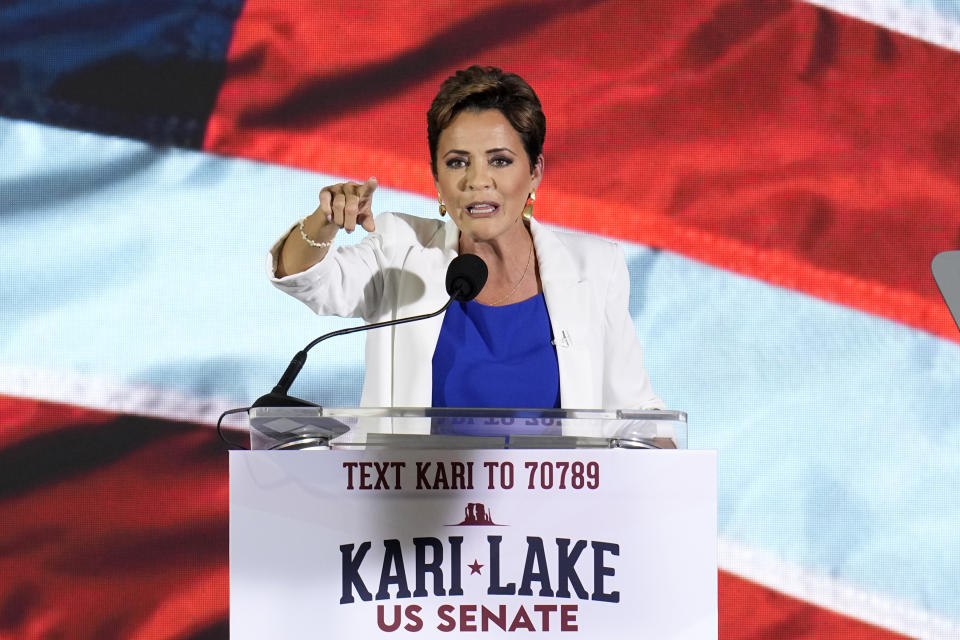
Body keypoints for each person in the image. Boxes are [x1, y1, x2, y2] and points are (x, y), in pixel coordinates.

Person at [268, 65, 663, 410]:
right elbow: (303, 277)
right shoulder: (399, 248)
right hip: (418, 497)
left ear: (534, 171)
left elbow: (635, 415)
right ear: (437, 179)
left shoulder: (595, 268)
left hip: (555, 498)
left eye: (500, 160)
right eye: (457, 162)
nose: (477, 181)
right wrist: (325, 220)